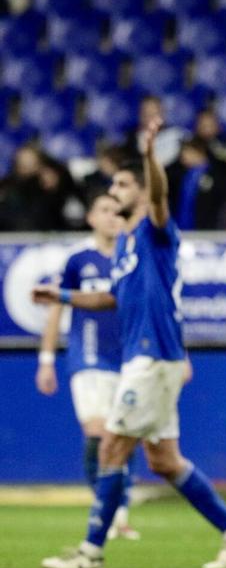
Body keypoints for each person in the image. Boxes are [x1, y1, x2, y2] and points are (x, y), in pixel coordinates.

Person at [35, 118, 226, 568]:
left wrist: (152, 154)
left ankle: (91, 551)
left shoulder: (155, 230)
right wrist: (59, 296)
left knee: (112, 447)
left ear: (140, 189)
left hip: (152, 356)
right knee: (164, 459)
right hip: (148, 357)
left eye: (121, 183)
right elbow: (110, 298)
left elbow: (158, 196)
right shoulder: (123, 247)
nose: (113, 190)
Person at [35, 193, 139, 541]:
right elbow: (56, 309)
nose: (112, 217)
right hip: (89, 355)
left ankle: (119, 510)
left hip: (127, 356)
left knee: (124, 433)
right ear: (91, 218)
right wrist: (47, 359)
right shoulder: (79, 259)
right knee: (98, 432)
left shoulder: (131, 258)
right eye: (104, 210)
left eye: (117, 211)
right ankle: (104, 509)